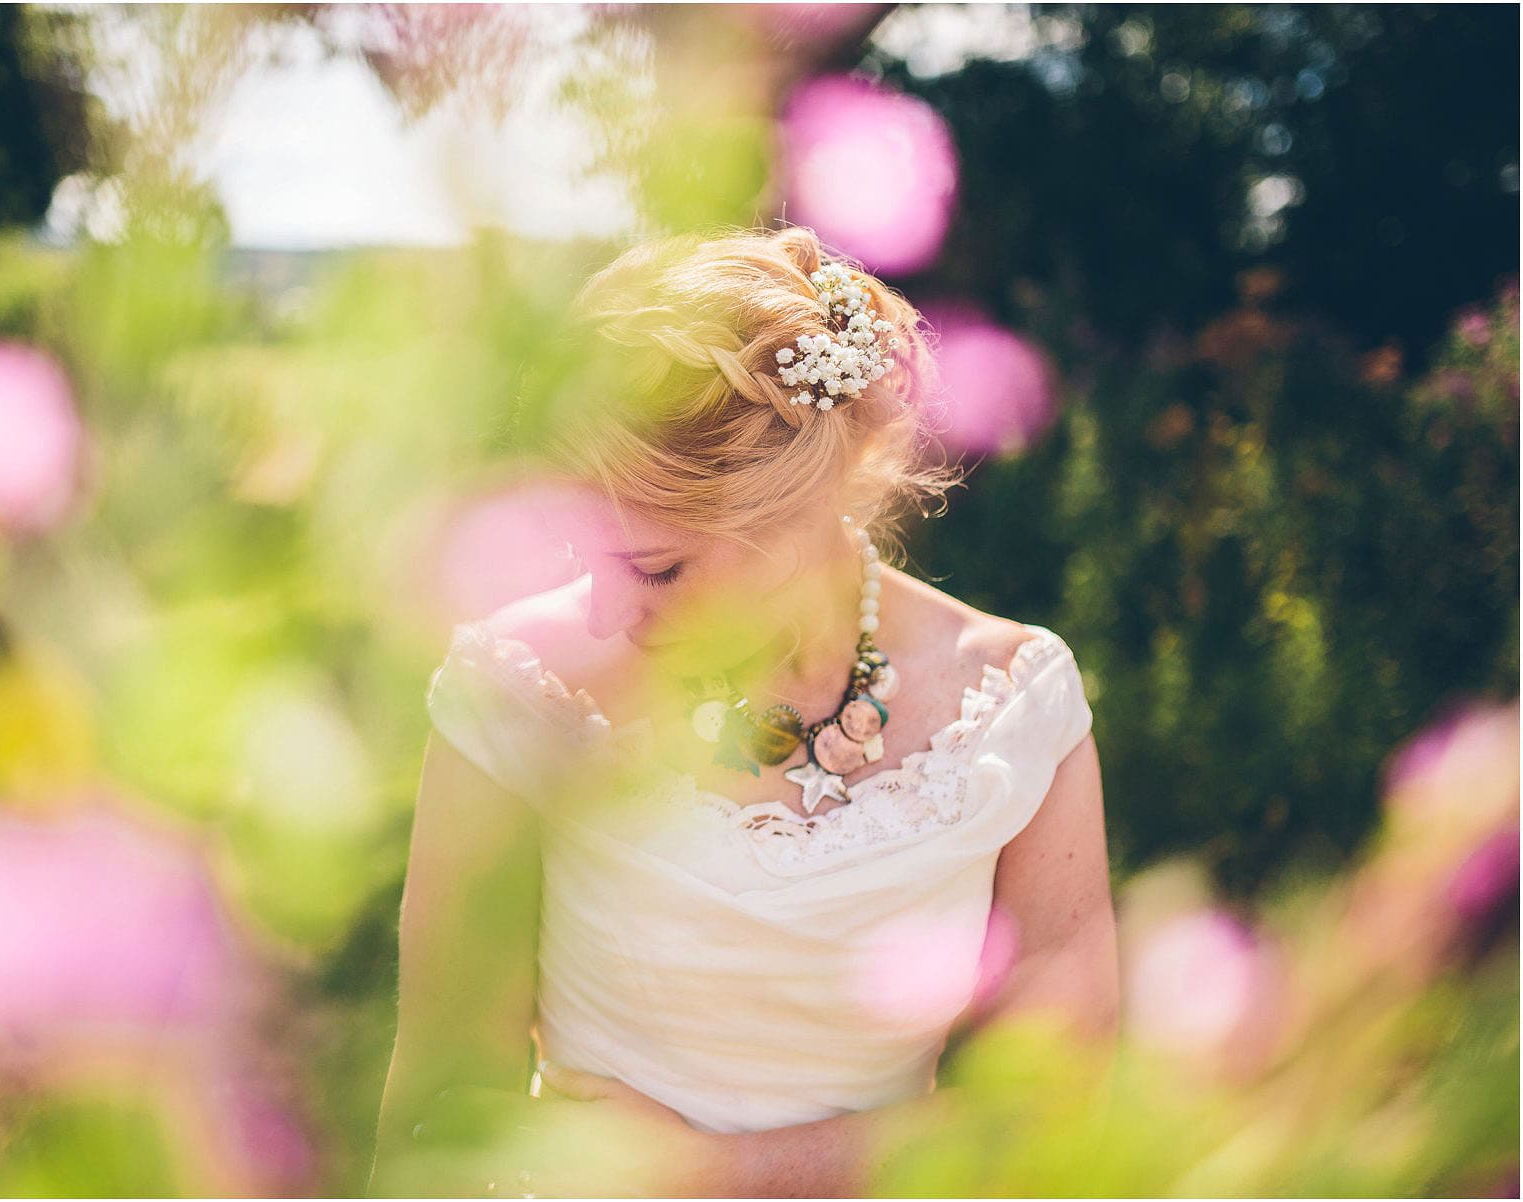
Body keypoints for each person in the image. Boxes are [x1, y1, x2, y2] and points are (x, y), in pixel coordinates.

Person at [369, 225, 1117, 1198]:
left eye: (655, 569)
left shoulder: (1011, 703)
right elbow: (442, 1091)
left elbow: (1059, 1114)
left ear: (797, 508)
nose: (600, 610)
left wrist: (716, 1174)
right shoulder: (516, 689)